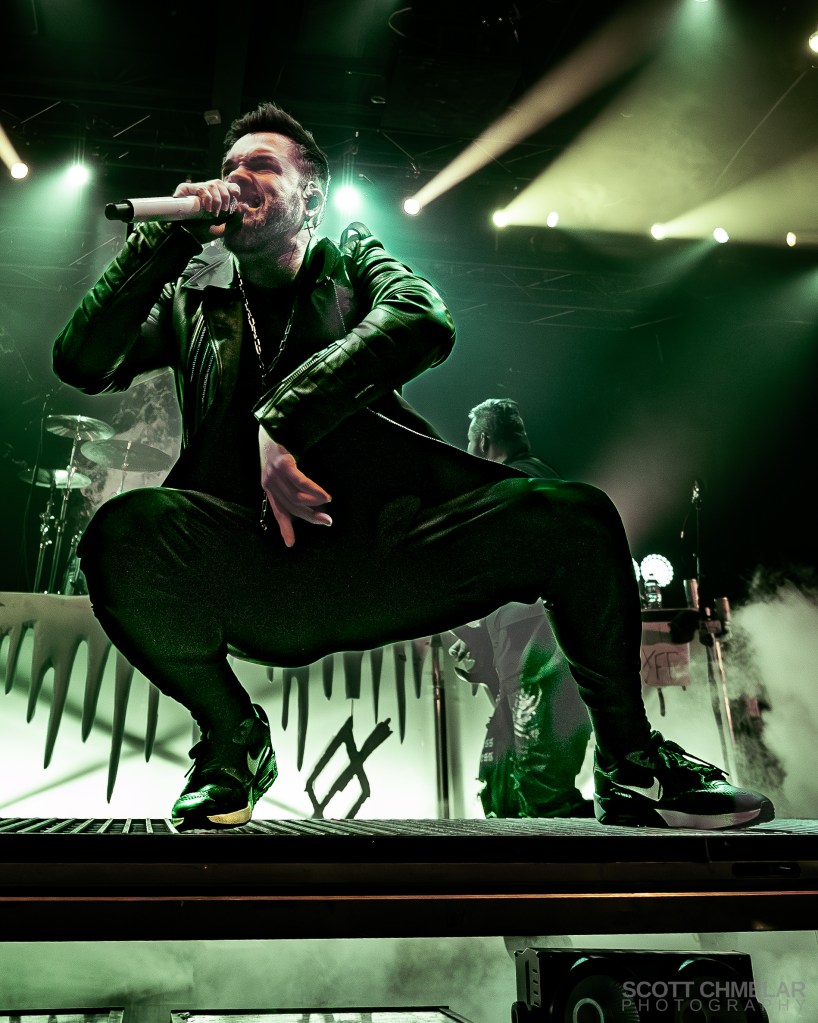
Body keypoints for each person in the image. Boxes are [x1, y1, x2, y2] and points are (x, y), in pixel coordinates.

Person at [52, 100, 774, 832]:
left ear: (312, 199)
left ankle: (631, 762)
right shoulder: (194, 299)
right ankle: (231, 740)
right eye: (229, 166)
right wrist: (159, 245)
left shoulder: (353, 259)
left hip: (387, 551)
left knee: (577, 518)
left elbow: (422, 318)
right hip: (254, 563)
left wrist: (281, 419)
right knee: (120, 534)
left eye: (261, 166)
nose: (237, 178)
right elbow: (82, 361)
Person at [447, 398, 594, 818]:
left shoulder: (511, 485)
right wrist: (479, 643)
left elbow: (504, 577)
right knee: (504, 783)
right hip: (535, 647)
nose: (468, 452)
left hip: (538, 649)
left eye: (470, 443)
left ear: (484, 441)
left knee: (540, 791)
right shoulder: (541, 481)